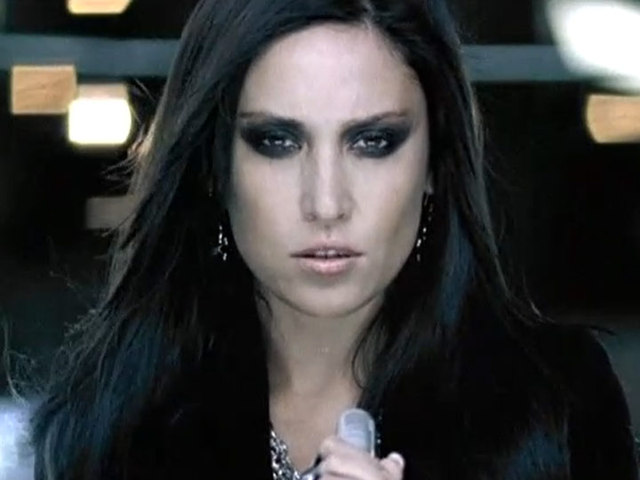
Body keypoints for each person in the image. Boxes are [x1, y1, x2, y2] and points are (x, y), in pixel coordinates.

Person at [28, 0, 639, 479]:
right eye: (278, 142)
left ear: (436, 162)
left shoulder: (555, 409)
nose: (326, 203)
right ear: (214, 166)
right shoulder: (119, 420)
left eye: (372, 142)